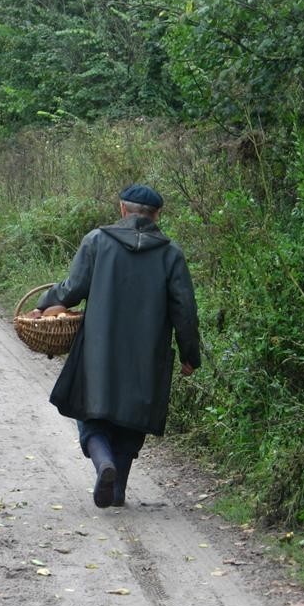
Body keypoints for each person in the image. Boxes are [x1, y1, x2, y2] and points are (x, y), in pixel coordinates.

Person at [28, 184, 201, 507]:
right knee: (133, 418)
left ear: (122, 210)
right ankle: (117, 487)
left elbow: (72, 288)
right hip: (147, 354)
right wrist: (190, 354)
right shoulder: (170, 253)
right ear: (157, 215)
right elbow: (185, 310)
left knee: (91, 411)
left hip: (98, 348)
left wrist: (43, 305)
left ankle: (102, 461)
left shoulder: (97, 241)